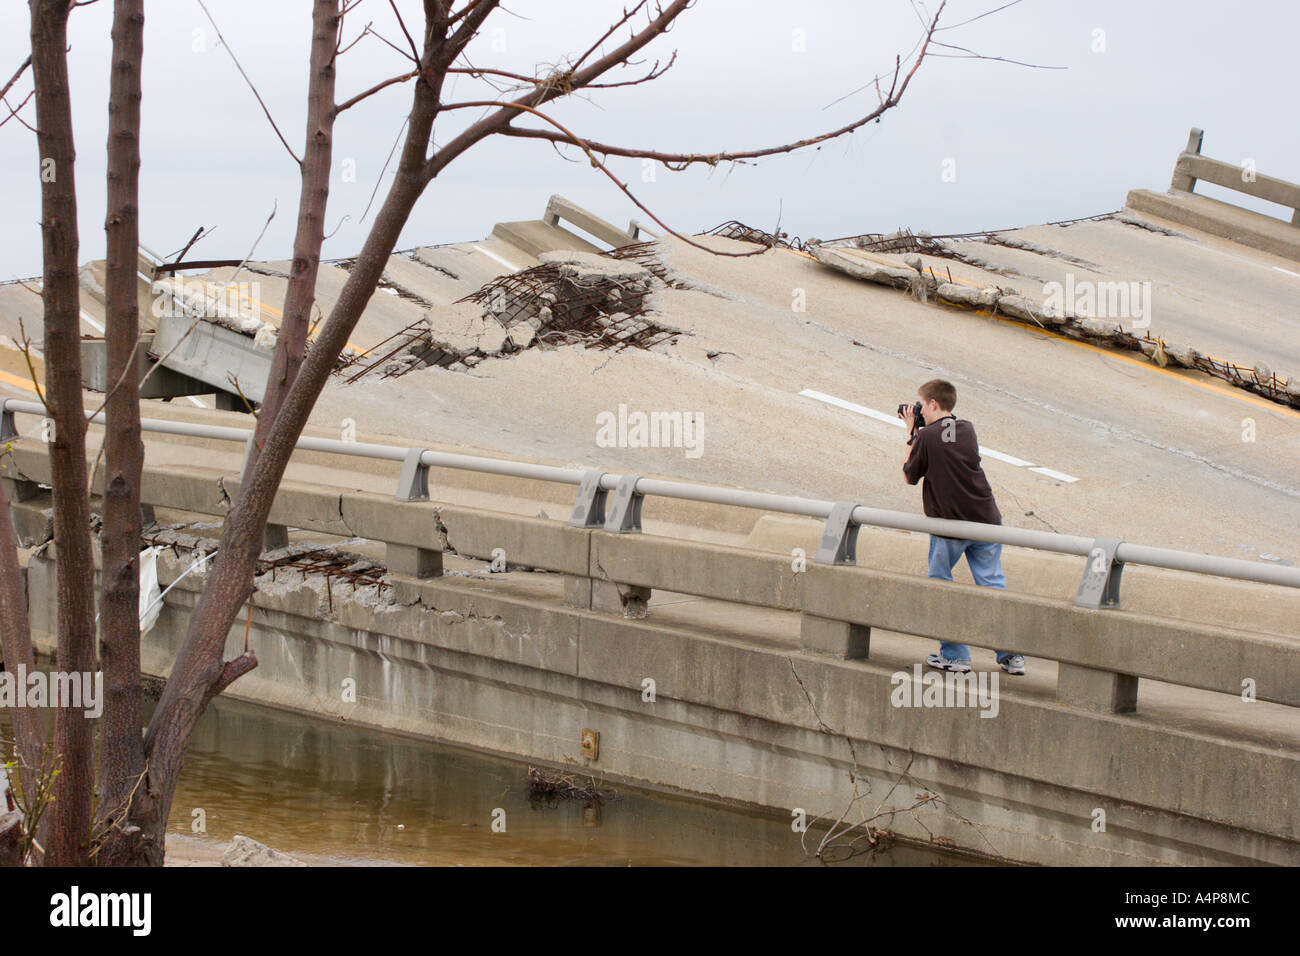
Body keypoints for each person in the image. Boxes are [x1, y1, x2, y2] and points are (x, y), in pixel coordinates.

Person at [900, 379, 1025, 676]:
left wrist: (910, 432)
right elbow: (947, 442)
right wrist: (921, 431)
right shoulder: (967, 429)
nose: (919, 411)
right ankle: (1012, 656)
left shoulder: (925, 437)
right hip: (986, 522)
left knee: (941, 585)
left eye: (921, 405)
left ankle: (956, 657)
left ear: (932, 404)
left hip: (951, 526)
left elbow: (909, 476)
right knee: (993, 586)